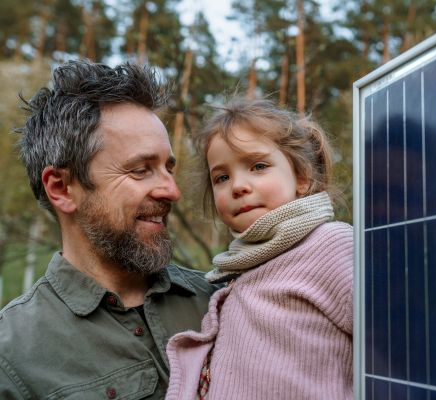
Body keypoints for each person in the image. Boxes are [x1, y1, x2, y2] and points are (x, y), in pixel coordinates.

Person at [0, 60, 220, 399]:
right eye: (140, 169)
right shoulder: (11, 356)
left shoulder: (221, 300)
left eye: (168, 168)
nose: (171, 191)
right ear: (61, 188)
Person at [165, 97, 354, 399]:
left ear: (302, 178)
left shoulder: (330, 244)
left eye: (258, 166)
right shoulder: (242, 268)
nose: (238, 185)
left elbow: (399, 341)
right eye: (222, 177)